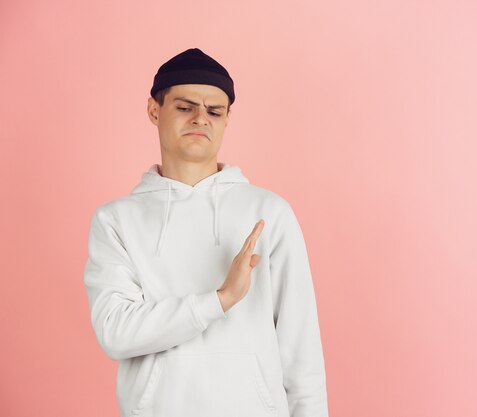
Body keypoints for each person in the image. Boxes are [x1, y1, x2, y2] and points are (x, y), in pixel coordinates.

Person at [83, 48, 329, 417]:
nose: (201, 118)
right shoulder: (116, 221)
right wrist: (219, 300)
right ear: (154, 110)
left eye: (215, 111)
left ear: (227, 119)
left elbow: (302, 351)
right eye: (185, 107)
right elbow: (116, 332)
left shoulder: (269, 213)